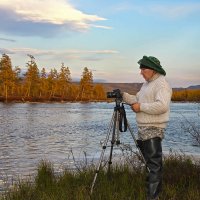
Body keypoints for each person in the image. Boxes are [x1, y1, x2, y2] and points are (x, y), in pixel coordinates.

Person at [122, 55, 172, 200]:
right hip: (143, 129)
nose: (141, 72)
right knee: (150, 166)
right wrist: (123, 95)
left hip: (154, 129)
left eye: (143, 69)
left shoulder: (161, 84)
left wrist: (141, 107)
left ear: (153, 70)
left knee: (154, 167)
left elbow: (162, 106)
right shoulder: (147, 85)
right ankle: (151, 195)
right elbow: (137, 100)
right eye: (141, 69)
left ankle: (153, 198)